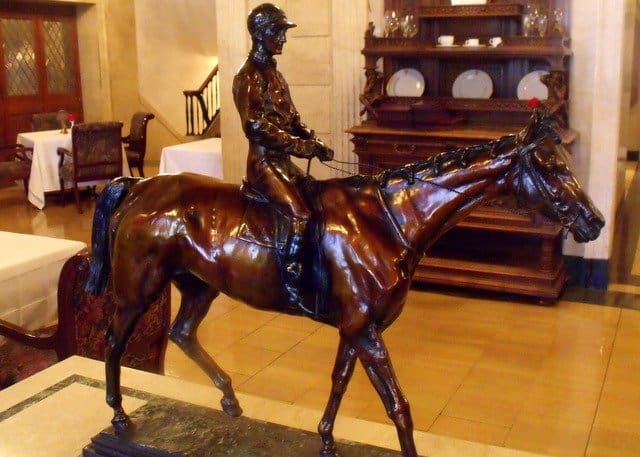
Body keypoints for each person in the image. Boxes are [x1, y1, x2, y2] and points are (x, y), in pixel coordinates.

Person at [233, 3, 334, 309]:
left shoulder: (275, 74)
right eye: (278, 31)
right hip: (264, 164)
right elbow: (255, 126)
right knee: (300, 215)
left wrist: (312, 140)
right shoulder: (248, 76)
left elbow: (292, 118)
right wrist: (301, 147)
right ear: (260, 33)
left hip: (283, 162)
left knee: (318, 198)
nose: (283, 38)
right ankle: (291, 282)